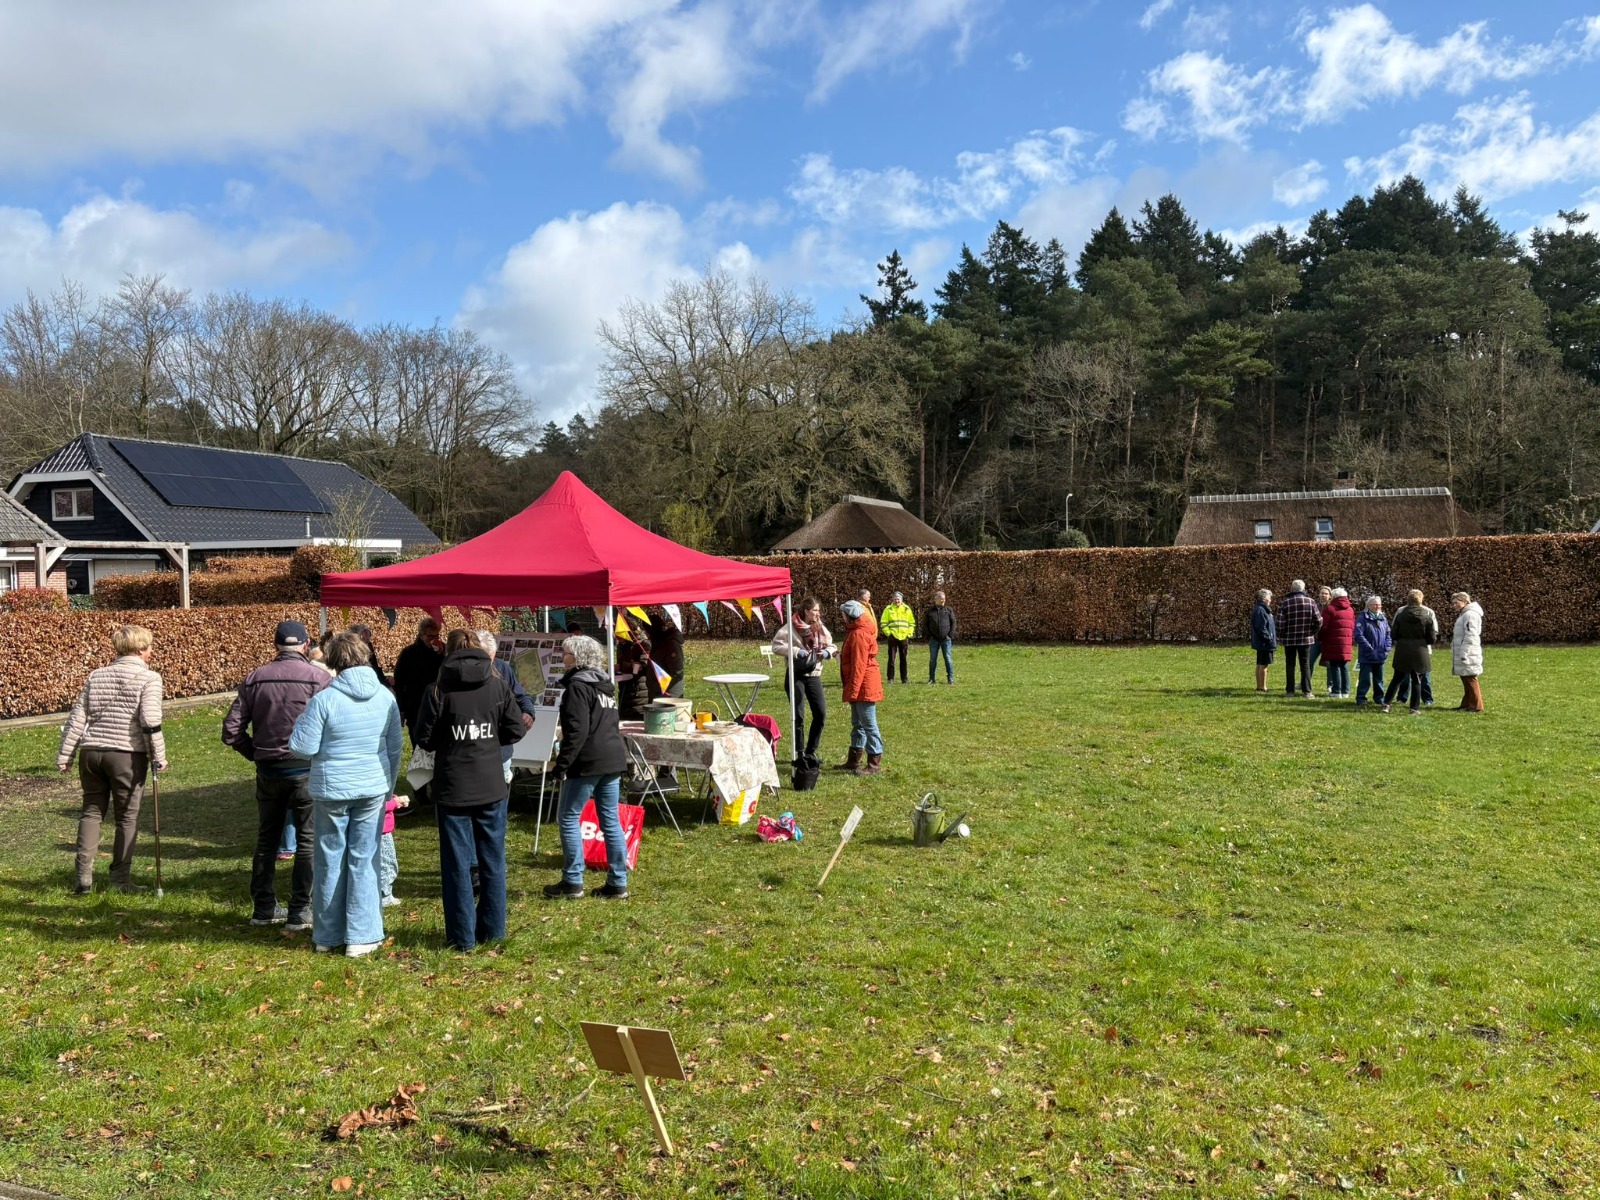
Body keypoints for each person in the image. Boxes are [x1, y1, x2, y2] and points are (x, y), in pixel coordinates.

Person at [288, 632, 402, 957]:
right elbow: (395, 748)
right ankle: (362, 936)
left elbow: (301, 747)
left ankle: (328, 934)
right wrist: (388, 786)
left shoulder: (324, 700)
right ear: (365, 656)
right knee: (365, 858)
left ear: (333, 661)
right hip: (371, 787)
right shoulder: (385, 697)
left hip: (332, 789)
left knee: (330, 857)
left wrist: (303, 719)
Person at [414, 630, 525, 950]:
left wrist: (452, 739)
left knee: (457, 864)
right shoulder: (497, 685)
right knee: (492, 860)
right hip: (490, 783)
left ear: (447, 652)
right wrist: (487, 740)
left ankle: (462, 937)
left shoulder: (438, 690)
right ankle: (493, 930)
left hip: (453, 785)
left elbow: (424, 738)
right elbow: (515, 729)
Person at [222, 620, 330, 930]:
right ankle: (300, 909)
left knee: (267, 839)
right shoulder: (319, 678)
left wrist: (257, 753)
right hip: (306, 769)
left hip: (269, 770)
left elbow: (231, 731)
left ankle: (263, 908)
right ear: (306, 645)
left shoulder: (256, 678)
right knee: (308, 840)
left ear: (275, 645)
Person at [57, 624, 169, 895]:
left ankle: (83, 879)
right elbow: (150, 720)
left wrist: (66, 754)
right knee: (126, 818)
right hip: (126, 755)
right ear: (140, 649)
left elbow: (77, 718)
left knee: (91, 812)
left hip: (91, 753)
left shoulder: (97, 675)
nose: (151, 651)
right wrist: (159, 756)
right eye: (149, 647)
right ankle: (120, 881)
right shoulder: (150, 678)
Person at [544, 635, 630, 901]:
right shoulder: (605, 686)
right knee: (610, 820)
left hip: (589, 760)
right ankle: (618, 883)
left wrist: (562, 764)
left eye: (566, 653)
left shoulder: (578, 687)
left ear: (577, 658)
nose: (562, 657)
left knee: (568, 817)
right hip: (612, 758)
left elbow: (577, 731)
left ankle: (572, 881)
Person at [771, 596, 834, 764]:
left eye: (819, 610)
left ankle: (811, 751)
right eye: (815, 610)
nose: (818, 613)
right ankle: (799, 753)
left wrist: (827, 652)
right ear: (806, 611)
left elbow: (832, 645)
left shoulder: (820, 627)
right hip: (796, 675)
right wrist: (796, 651)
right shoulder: (791, 626)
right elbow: (776, 646)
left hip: (814, 676)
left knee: (820, 714)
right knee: (798, 716)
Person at [392, 617, 444, 802]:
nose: (434, 639)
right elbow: (400, 683)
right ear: (421, 635)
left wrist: (442, 654)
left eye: (436, 636)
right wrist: (402, 709)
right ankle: (420, 792)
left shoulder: (442, 651)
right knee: (418, 748)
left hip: (438, 705)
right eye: (430, 636)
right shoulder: (409, 653)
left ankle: (436, 787)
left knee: (438, 749)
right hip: (416, 707)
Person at [476, 629, 537, 787]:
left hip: (501, 750)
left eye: (490, 658)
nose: (488, 664)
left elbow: (521, 695)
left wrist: (528, 712)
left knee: (500, 793)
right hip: (473, 750)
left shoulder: (501, 667)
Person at [838, 600, 884, 776]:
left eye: (843, 614)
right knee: (858, 724)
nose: (842, 617)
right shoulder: (855, 630)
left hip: (864, 685)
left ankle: (874, 763)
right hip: (860, 683)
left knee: (869, 724)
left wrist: (853, 690)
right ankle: (853, 761)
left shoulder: (858, 634)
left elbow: (859, 665)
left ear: (849, 615)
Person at [1382, 590, 1439, 715]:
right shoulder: (1427, 616)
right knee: (1417, 680)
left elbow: (1393, 634)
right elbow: (1432, 638)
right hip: (1420, 650)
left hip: (1403, 649)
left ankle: (1386, 704)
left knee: (1397, 679)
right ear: (1421, 600)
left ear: (1408, 600)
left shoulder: (1401, 615)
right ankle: (1414, 708)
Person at [1275, 580, 1321, 697]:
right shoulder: (1311, 602)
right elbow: (1319, 620)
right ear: (1303, 588)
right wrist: (1312, 632)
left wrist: (1282, 635)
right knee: (1305, 664)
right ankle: (1307, 691)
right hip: (1305, 638)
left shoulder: (1285, 603)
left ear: (1292, 588)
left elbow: (1279, 623)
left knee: (1290, 664)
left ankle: (1290, 691)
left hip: (1289, 639)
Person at [1352, 595, 1393, 708]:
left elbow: (1388, 635)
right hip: (1367, 654)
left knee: (1379, 679)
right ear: (1369, 606)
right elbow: (1359, 635)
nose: (1378, 606)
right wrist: (1369, 648)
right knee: (1365, 679)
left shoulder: (1383, 618)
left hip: (1380, 654)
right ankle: (1361, 699)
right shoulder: (1362, 618)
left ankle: (1379, 698)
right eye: (1375, 604)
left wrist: (1387, 648)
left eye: (1379, 604)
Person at [1450, 591, 1485, 713]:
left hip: (1469, 652)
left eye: (1456, 602)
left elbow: (1471, 635)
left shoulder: (1470, 615)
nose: (1454, 605)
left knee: (1470, 678)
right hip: (1465, 650)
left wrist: (1464, 653)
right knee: (1465, 678)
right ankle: (1466, 703)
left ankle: (1476, 706)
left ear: (1464, 601)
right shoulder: (1465, 614)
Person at [1318, 587, 1355, 698]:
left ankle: (1336, 691)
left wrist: (1321, 637)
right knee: (1344, 666)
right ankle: (1345, 691)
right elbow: (1352, 626)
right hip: (1346, 642)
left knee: (1334, 666)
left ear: (1333, 597)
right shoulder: (1350, 610)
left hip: (1332, 641)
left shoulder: (1329, 609)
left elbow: (1324, 627)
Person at [643, 607, 685, 700]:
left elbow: (677, 671)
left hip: (669, 693)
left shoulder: (671, 645)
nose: (645, 634)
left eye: (646, 631)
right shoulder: (657, 643)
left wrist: (660, 684)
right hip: (656, 691)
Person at [614, 635, 652, 721]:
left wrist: (622, 666)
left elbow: (643, 665)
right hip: (624, 688)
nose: (616, 636)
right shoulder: (621, 645)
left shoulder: (642, 644)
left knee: (637, 717)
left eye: (618, 634)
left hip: (639, 690)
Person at [880, 591, 914, 684]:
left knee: (903, 659)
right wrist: (889, 633)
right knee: (891, 659)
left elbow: (911, 623)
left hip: (904, 637)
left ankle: (904, 678)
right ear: (892, 599)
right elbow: (883, 623)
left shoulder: (907, 609)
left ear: (901, 600)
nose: (897, 600)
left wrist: (909, 633)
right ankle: (890, 678)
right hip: (893, 637)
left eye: (898, 599)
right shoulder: (888, 609)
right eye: (895, 599)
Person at [924, 591, 957, 685]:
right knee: (933, 659)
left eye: (944, 598)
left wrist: (950, 635)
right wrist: (929, 635)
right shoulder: (930, 611)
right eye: (941, 598)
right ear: (936, 599)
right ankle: (931, 679)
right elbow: (925, 624)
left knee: (948, 658)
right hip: (934, 640)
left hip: (946, 640)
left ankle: (950, 679)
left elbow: (953, 623)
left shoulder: (948, 610)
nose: (943, 600)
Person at [1249, 588, 1276, 692]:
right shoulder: (1261, 610)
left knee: (1260, 663)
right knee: (1264, 664)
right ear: (1264, 598)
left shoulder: (1262, 609)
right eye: (1269, 597)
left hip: (1262, 642)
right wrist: (1269, 639)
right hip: (1264, 642)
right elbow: (1261, 628)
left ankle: (1259, 686)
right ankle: (1263, 687)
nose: (1271, 599)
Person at [1307, 585, 1333, 682]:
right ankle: (1306, 682)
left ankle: (1330, 684)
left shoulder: (1332, 608)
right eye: (1322, 593)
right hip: (1315, 639)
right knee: (1309, 661)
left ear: (1330, 596)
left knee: (1329, 663)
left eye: (1326, 594)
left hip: (1328, 641)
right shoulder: (1314, 606)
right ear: (1319, 594)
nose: (1323, 595)